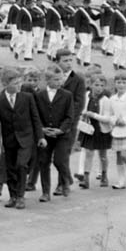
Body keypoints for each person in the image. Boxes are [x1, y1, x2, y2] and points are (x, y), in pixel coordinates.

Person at [0, 69, 42, 209]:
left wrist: (40, 137)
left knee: (21, 165)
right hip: (9, 140)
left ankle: (20, 196)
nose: (19, 85)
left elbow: (35, 118)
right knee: (10, 168)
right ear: (5, 84)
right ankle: (12, 195)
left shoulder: (27, 97)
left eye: (20, 82)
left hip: (26, 138)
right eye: (15, 83)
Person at [35, 63, 75, 199]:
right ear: (47, 80)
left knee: (59, 160)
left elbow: (70, 116)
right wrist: (41, 129)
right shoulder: (39, 95)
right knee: (44, 162)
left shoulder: (67, 95)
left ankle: (65, 181)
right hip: (45, 134)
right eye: (56, 79)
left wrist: (60, 130)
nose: (60, 82)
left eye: (61, 79)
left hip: (61, 134)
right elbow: (36, 115)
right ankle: (45, 192)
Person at [75, 71, 113, 188]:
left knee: (102, 154)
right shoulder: (86, 96)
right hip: (89, 128)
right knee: (89, 153)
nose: (99, 88)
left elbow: (107, 118)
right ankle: (86, 178)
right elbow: (81, 109)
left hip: (101, 130)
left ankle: (104, 174)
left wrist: (94, 115)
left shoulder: (105, 100)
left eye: (102, 86)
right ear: (91, 85)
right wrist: (84, 114)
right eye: (96, 85)